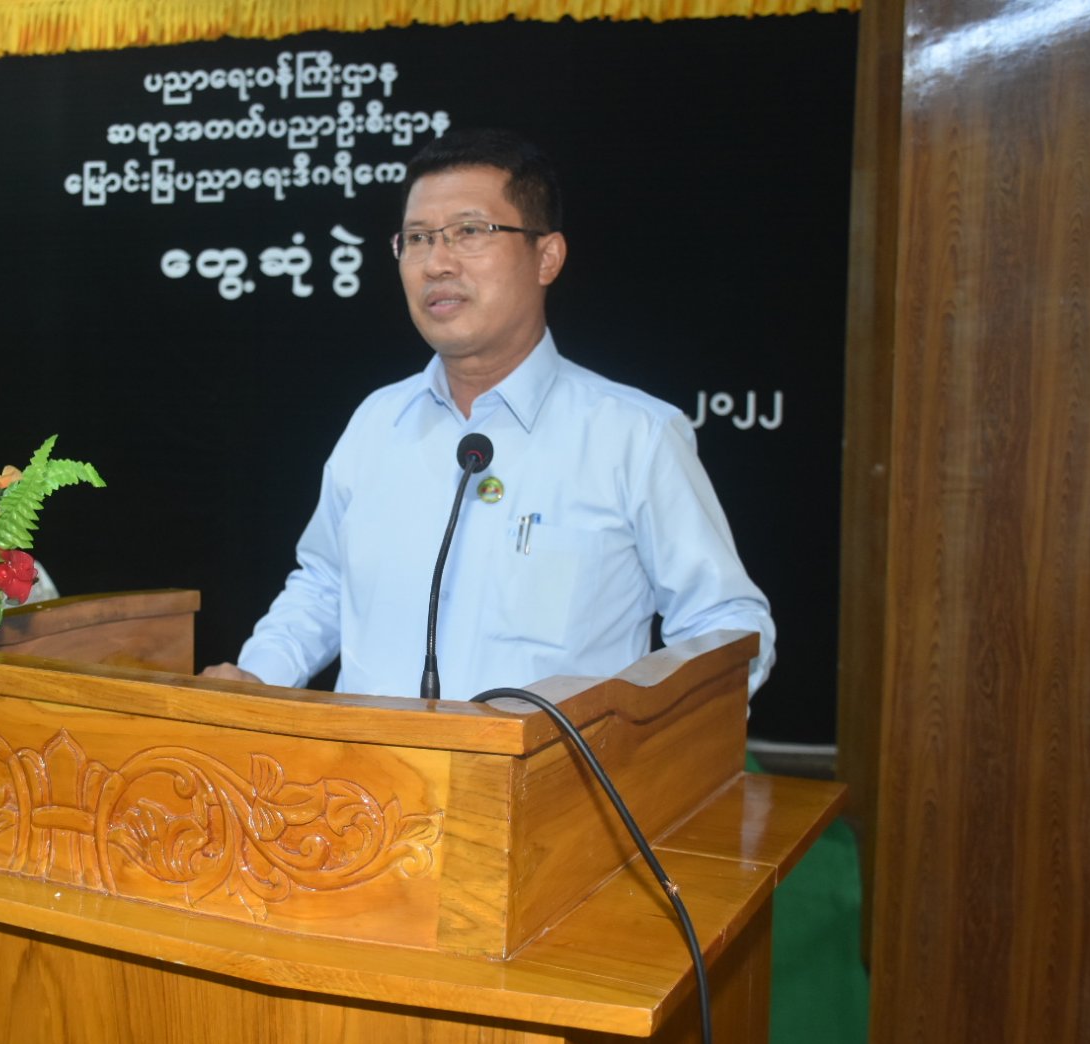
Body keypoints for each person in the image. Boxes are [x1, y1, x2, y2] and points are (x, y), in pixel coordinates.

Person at [202, 129, 774, 702]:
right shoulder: (377, 422)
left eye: (470, 232)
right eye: (418, 238)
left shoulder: (633, 436)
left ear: (546, 257)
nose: (436, 263)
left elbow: (725, 625)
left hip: (550, 762)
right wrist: (259, 678)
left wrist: (642, 732)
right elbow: (325, 584)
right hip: (363, 761)